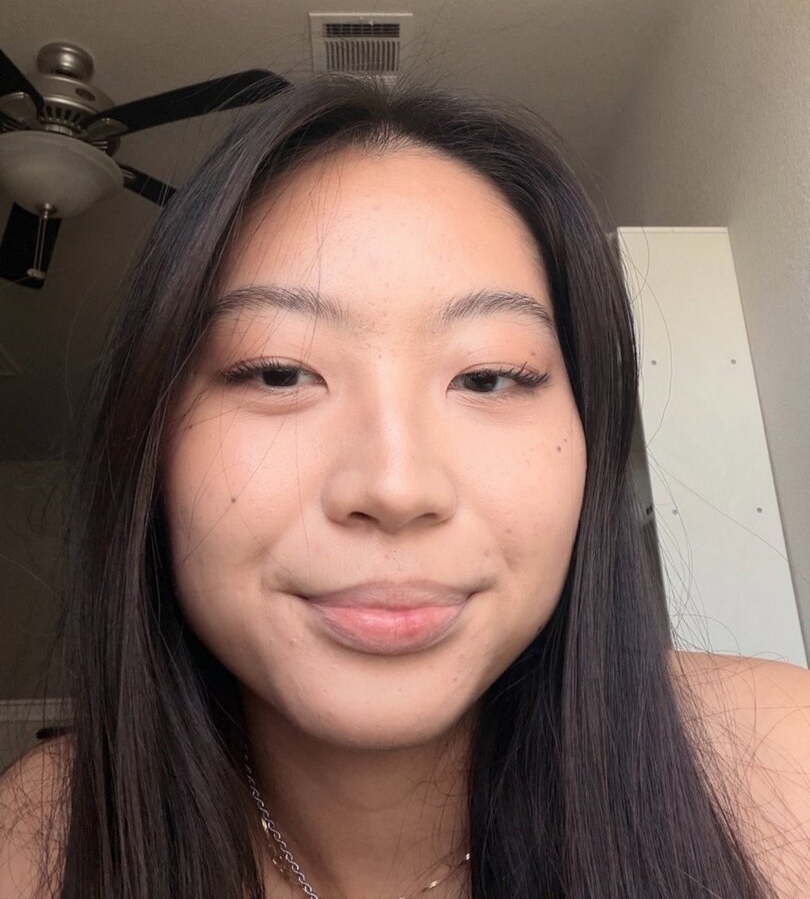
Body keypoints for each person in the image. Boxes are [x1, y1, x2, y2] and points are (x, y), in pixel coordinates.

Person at [1, 73, 808, 898]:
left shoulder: (784, 767)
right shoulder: (34, 846)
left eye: (489, 376)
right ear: (152, 438)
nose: (395, 486)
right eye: (278, 371)